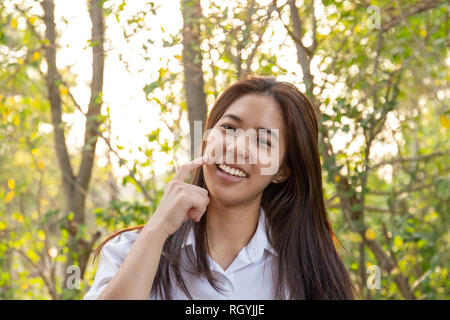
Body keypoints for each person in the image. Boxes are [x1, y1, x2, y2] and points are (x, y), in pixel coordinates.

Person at [83, 76, 355, 300]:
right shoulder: (129, 250)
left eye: (263, 141)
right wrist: (157, 230)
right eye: (229, 128)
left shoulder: (306, 272)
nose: (236, 148)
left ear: (283, 170)